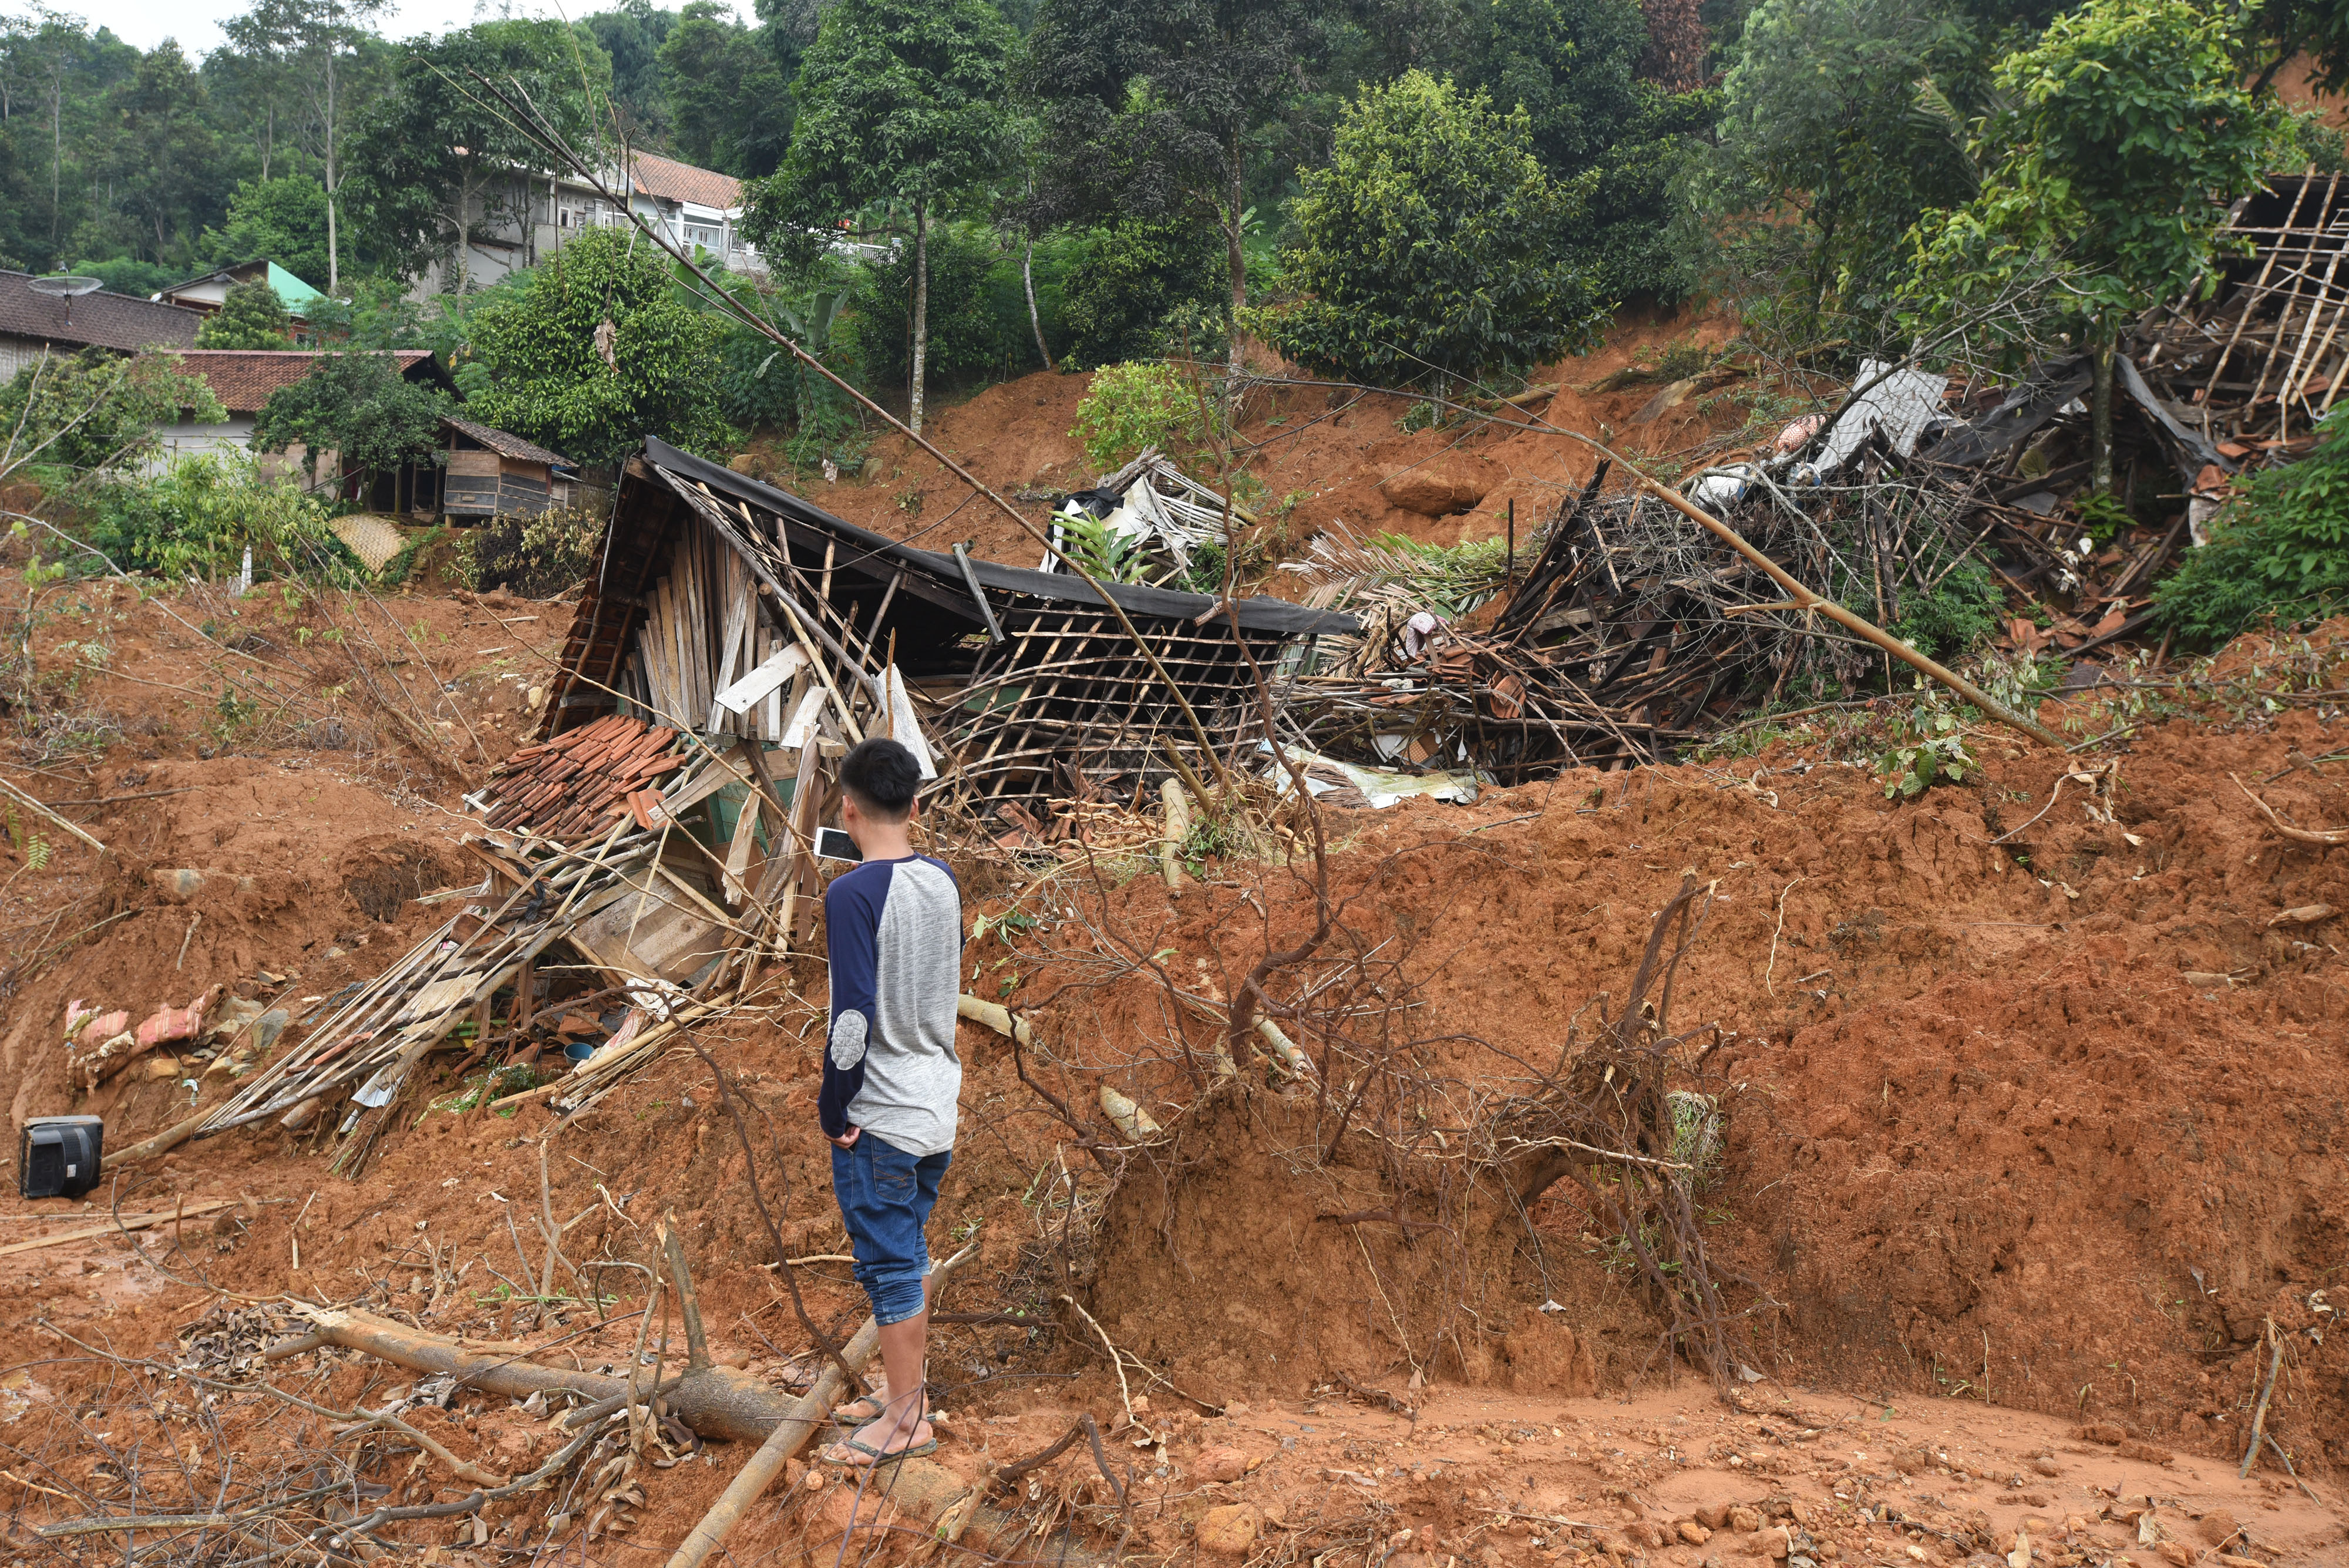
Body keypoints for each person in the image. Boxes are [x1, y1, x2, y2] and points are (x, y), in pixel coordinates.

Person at [815, 736, 961, 1466]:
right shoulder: (942, 880)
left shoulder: (851, 894)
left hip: (882, 1115)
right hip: (937, 1105)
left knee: (891, 1267)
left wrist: (834, 1109)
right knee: (907, 1254)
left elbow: (851, 1018)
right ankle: (908, 1396)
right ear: (914, 804)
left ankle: (906, 1423)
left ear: (848, 808)